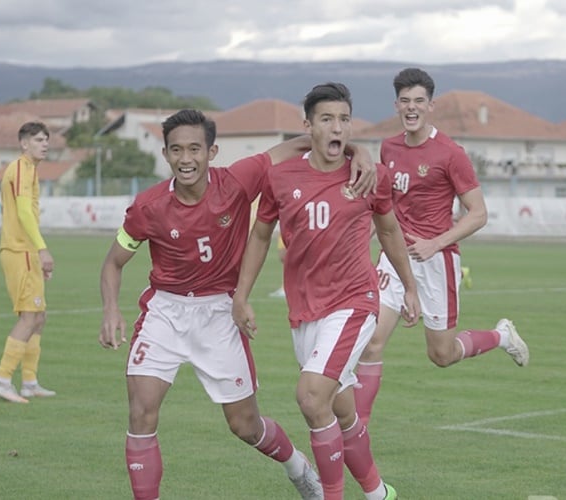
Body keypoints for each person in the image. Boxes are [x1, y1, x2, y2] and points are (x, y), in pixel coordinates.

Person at [98, 109, 376, 500]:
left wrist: (357, 149)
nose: (186, 159)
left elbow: (304, 142)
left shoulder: (238, 180)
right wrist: (111, 310)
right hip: (165, 312)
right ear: (165, 154)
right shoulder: (149, 206)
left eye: (195, 149)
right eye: (176, 150)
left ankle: (296, 465)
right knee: (141, 413)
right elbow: (113, 262)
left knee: (245, 426)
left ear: (212, 151)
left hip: (219, 314)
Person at [232, 83, 420, 500]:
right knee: (341, 409)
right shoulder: (280, 178)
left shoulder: (370, 175)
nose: (338, 127)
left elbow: (389, 230)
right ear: (309, 126)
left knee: (312, 396)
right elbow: (260, 236)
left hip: (354, 303)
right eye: (327, 119)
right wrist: (241, 295)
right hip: (306, 311)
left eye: (344, 119)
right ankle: (378, 493)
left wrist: (409, 286)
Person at [354, 68, 529, 426]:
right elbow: (385, 207)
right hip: (394, 260)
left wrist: (436, 243)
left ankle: (501, 336)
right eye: (405, 101)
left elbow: (478, 213)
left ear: (431, 105)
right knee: (370, 343)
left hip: (436, 263)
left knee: (442, 354)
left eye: (419, 101)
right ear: (396, 105)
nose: (411, 107)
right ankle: (357, 434)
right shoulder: (388, 147)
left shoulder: (450, 153)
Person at [0, 121, 56, 403]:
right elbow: (24, 213)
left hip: (26, 252)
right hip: (20, 251)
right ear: (24, 143)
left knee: (39, 317)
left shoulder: (30, 169)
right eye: (39, 140)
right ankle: (2, 380)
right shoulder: (20, 167)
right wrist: (42, 250)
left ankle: (29, 381)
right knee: (29, 317)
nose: (45, 144)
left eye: (46, 140)